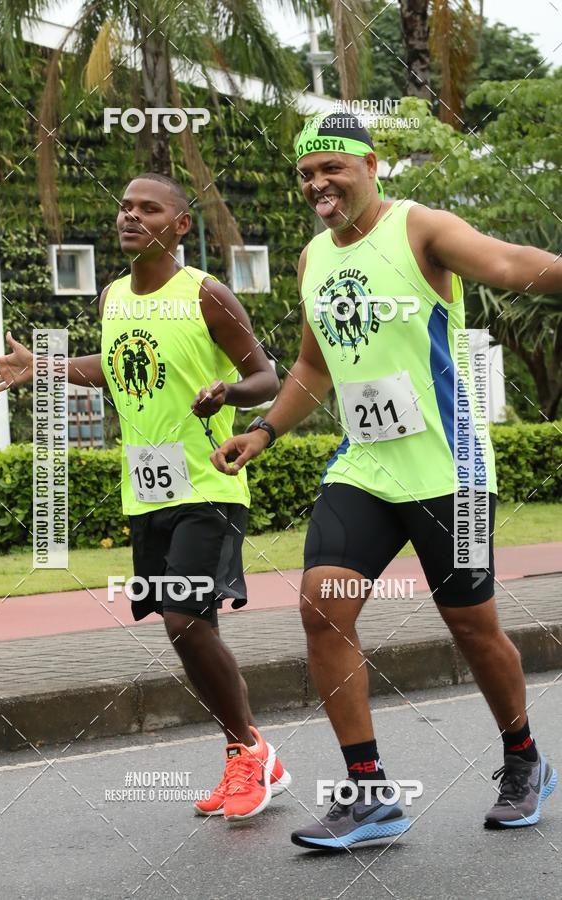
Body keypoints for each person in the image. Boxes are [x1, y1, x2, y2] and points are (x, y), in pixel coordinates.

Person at [210, 115, 560, 848]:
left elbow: (510, 263)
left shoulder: (420, 228)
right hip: (365, 467)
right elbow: (313, 366)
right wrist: (264, 431)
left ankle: (524, 757)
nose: (318, 183)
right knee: (322, 608)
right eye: (307, 174)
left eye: (332, 168)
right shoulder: (313, 257)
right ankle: (369, 793)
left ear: (370, 166)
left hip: (453, 470)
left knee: (472, 627)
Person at [0, 172, 291, 822]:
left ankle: (249, 751)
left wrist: (229, 393)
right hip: (147, 491)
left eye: (149, 208)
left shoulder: (205, 293)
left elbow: (265, 376)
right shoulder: (112, 297)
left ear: (180, 224)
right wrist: (44, 367)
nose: (130, 216)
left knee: (183, 619)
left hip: (209, 482)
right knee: (191, 631)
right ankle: (251, 754)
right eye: (124, 206)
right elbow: (115, 367)